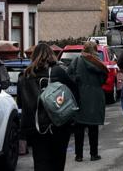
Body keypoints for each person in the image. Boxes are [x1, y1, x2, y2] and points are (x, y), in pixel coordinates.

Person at [17, 43, 78, 171]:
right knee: (57, 162)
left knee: (40, 162)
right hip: (58, 125)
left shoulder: (24, 76)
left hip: (35, 126)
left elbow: (21, 104)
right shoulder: (58, 71)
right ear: (51, 55)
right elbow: (74, 93)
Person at [67, 41, 108, 162]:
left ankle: (78, 155)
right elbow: (103, 79)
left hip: (80, 95)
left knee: (79, 127)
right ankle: (93, 154)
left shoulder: (77, 61)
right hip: (95, 96)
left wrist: (77, 82)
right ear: (95, 50)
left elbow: (69, 75)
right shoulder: (98, 63)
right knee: (93, 127)